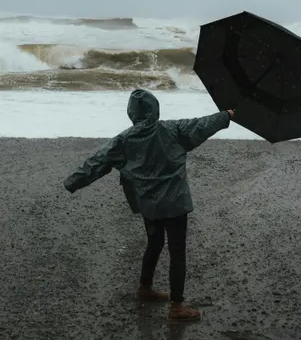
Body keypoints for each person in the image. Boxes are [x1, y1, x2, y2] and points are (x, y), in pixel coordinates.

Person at [63, 88, 234, 322]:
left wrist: (73, 182)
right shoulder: (172, 129)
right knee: (177, 252)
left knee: (154, 243)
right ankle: (176, 306)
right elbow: (202, 124)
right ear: (155, 108)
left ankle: (145, 288)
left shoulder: (124, 139)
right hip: (175, 203)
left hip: (149, 205)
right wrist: (226, 115)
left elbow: (97, 162)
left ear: (131, 113)